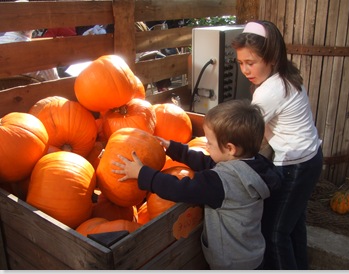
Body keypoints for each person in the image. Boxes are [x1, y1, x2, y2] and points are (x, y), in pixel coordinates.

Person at [111, 99, 282, 270]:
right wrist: (175, 149)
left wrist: (143, 174)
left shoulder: (221, 182)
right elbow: (209, 163)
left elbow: (179, 189)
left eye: (210, 142)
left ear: (230, 149)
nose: (206, 145)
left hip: (231, 263)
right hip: (252, 253)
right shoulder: (254, 167)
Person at [231, 20, 323, 270]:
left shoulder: (270, 90)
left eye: (251, 63)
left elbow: (249, 131)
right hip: (309, 157)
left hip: (295, 165)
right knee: (293, 226)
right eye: (241, 63)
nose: (245, 70)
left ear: (271, 57)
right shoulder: (287, 75)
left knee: (273, 232)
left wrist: (220, 146)